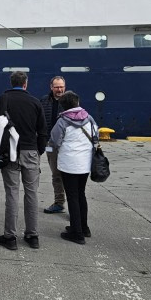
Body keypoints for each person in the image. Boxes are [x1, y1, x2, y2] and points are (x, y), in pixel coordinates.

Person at [0, 71, 47, 250]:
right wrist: (39, 150)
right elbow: (43, 130)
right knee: (32, 193)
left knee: (12, 193)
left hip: (10, 152)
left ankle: (10, 237)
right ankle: (32, 236)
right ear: (25, 84)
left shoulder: (3, 99)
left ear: (11, 82)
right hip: (31, 152)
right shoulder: (35, 102)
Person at [50, 91, 97, 245]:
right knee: (81, 194)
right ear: (77, 102)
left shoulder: (62, 121)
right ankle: (84, 227)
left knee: (72, 197)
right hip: (85, 164)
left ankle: (77, 233)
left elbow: (55, 141)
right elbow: (95, 136)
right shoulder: (89, 118)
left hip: (69, 164)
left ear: (63, 105)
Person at [40, 76, 67, 214]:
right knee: (56, 175)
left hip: (67, 145)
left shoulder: (70, 101)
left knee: (70, 175)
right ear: (51, 87)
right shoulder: (44, 101)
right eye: (56, 87)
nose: (59, 89)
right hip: (50, 144)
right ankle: (59, 202)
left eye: (61, 86)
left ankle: (75, 207)